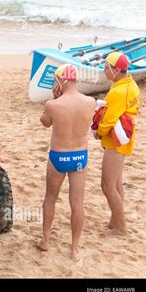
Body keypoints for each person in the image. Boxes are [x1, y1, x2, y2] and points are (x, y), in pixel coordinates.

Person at [37, 64, 96, 259]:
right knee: (77, 202)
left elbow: (46, 123)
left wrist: (54, 100)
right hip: (80, 156)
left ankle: (45, 241)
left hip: (59, 157)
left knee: (51, 197)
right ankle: (74, 248)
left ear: (60, 80)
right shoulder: (90, 102)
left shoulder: (53, 105)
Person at [95, 52, 140, 236]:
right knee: (116, 183)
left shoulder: (117, 91)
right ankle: (115, 221)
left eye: (106, 67)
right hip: (124, 140)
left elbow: (108, 120)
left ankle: (121, 227)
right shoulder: (131, 84)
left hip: (115, 143)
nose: (104, 70)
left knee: (107, 185)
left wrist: (98, 133)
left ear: (116, 70)